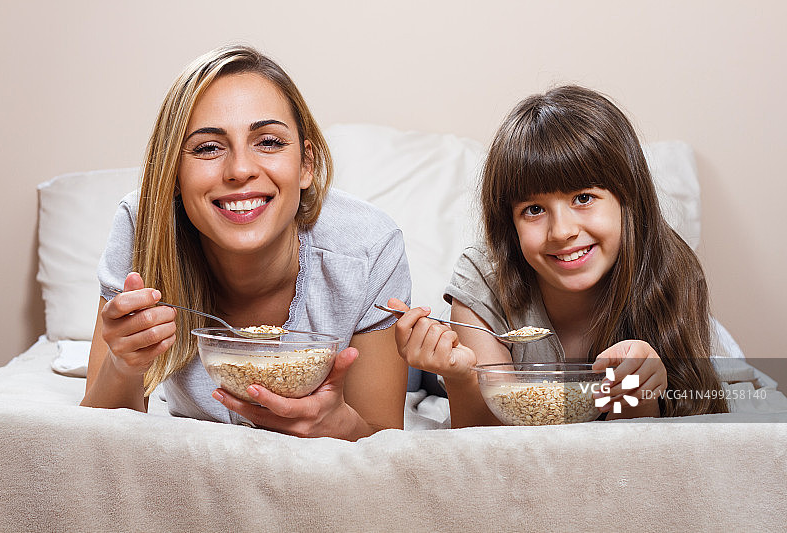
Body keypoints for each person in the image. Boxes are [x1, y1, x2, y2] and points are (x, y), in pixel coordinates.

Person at [81, 45, 410, 440]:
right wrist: (123, 364)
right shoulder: (145, 226)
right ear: (174, 173)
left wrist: (337, 426)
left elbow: (383, 444)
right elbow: (98, 438)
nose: (240, 170)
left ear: (306, 164)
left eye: (268, 142)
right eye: (208, 148)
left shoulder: (370, 247)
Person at [389, 85, 728, 428]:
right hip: (459, 353)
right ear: (510, 224)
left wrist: (636, 393)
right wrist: (461, 378)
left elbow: (636, 453)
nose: (562, 231)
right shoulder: (483, 277)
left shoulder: (673, 272)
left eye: (583, 198)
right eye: (534, 209)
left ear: (629, 198)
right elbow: (486, 440)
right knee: (418, 372)